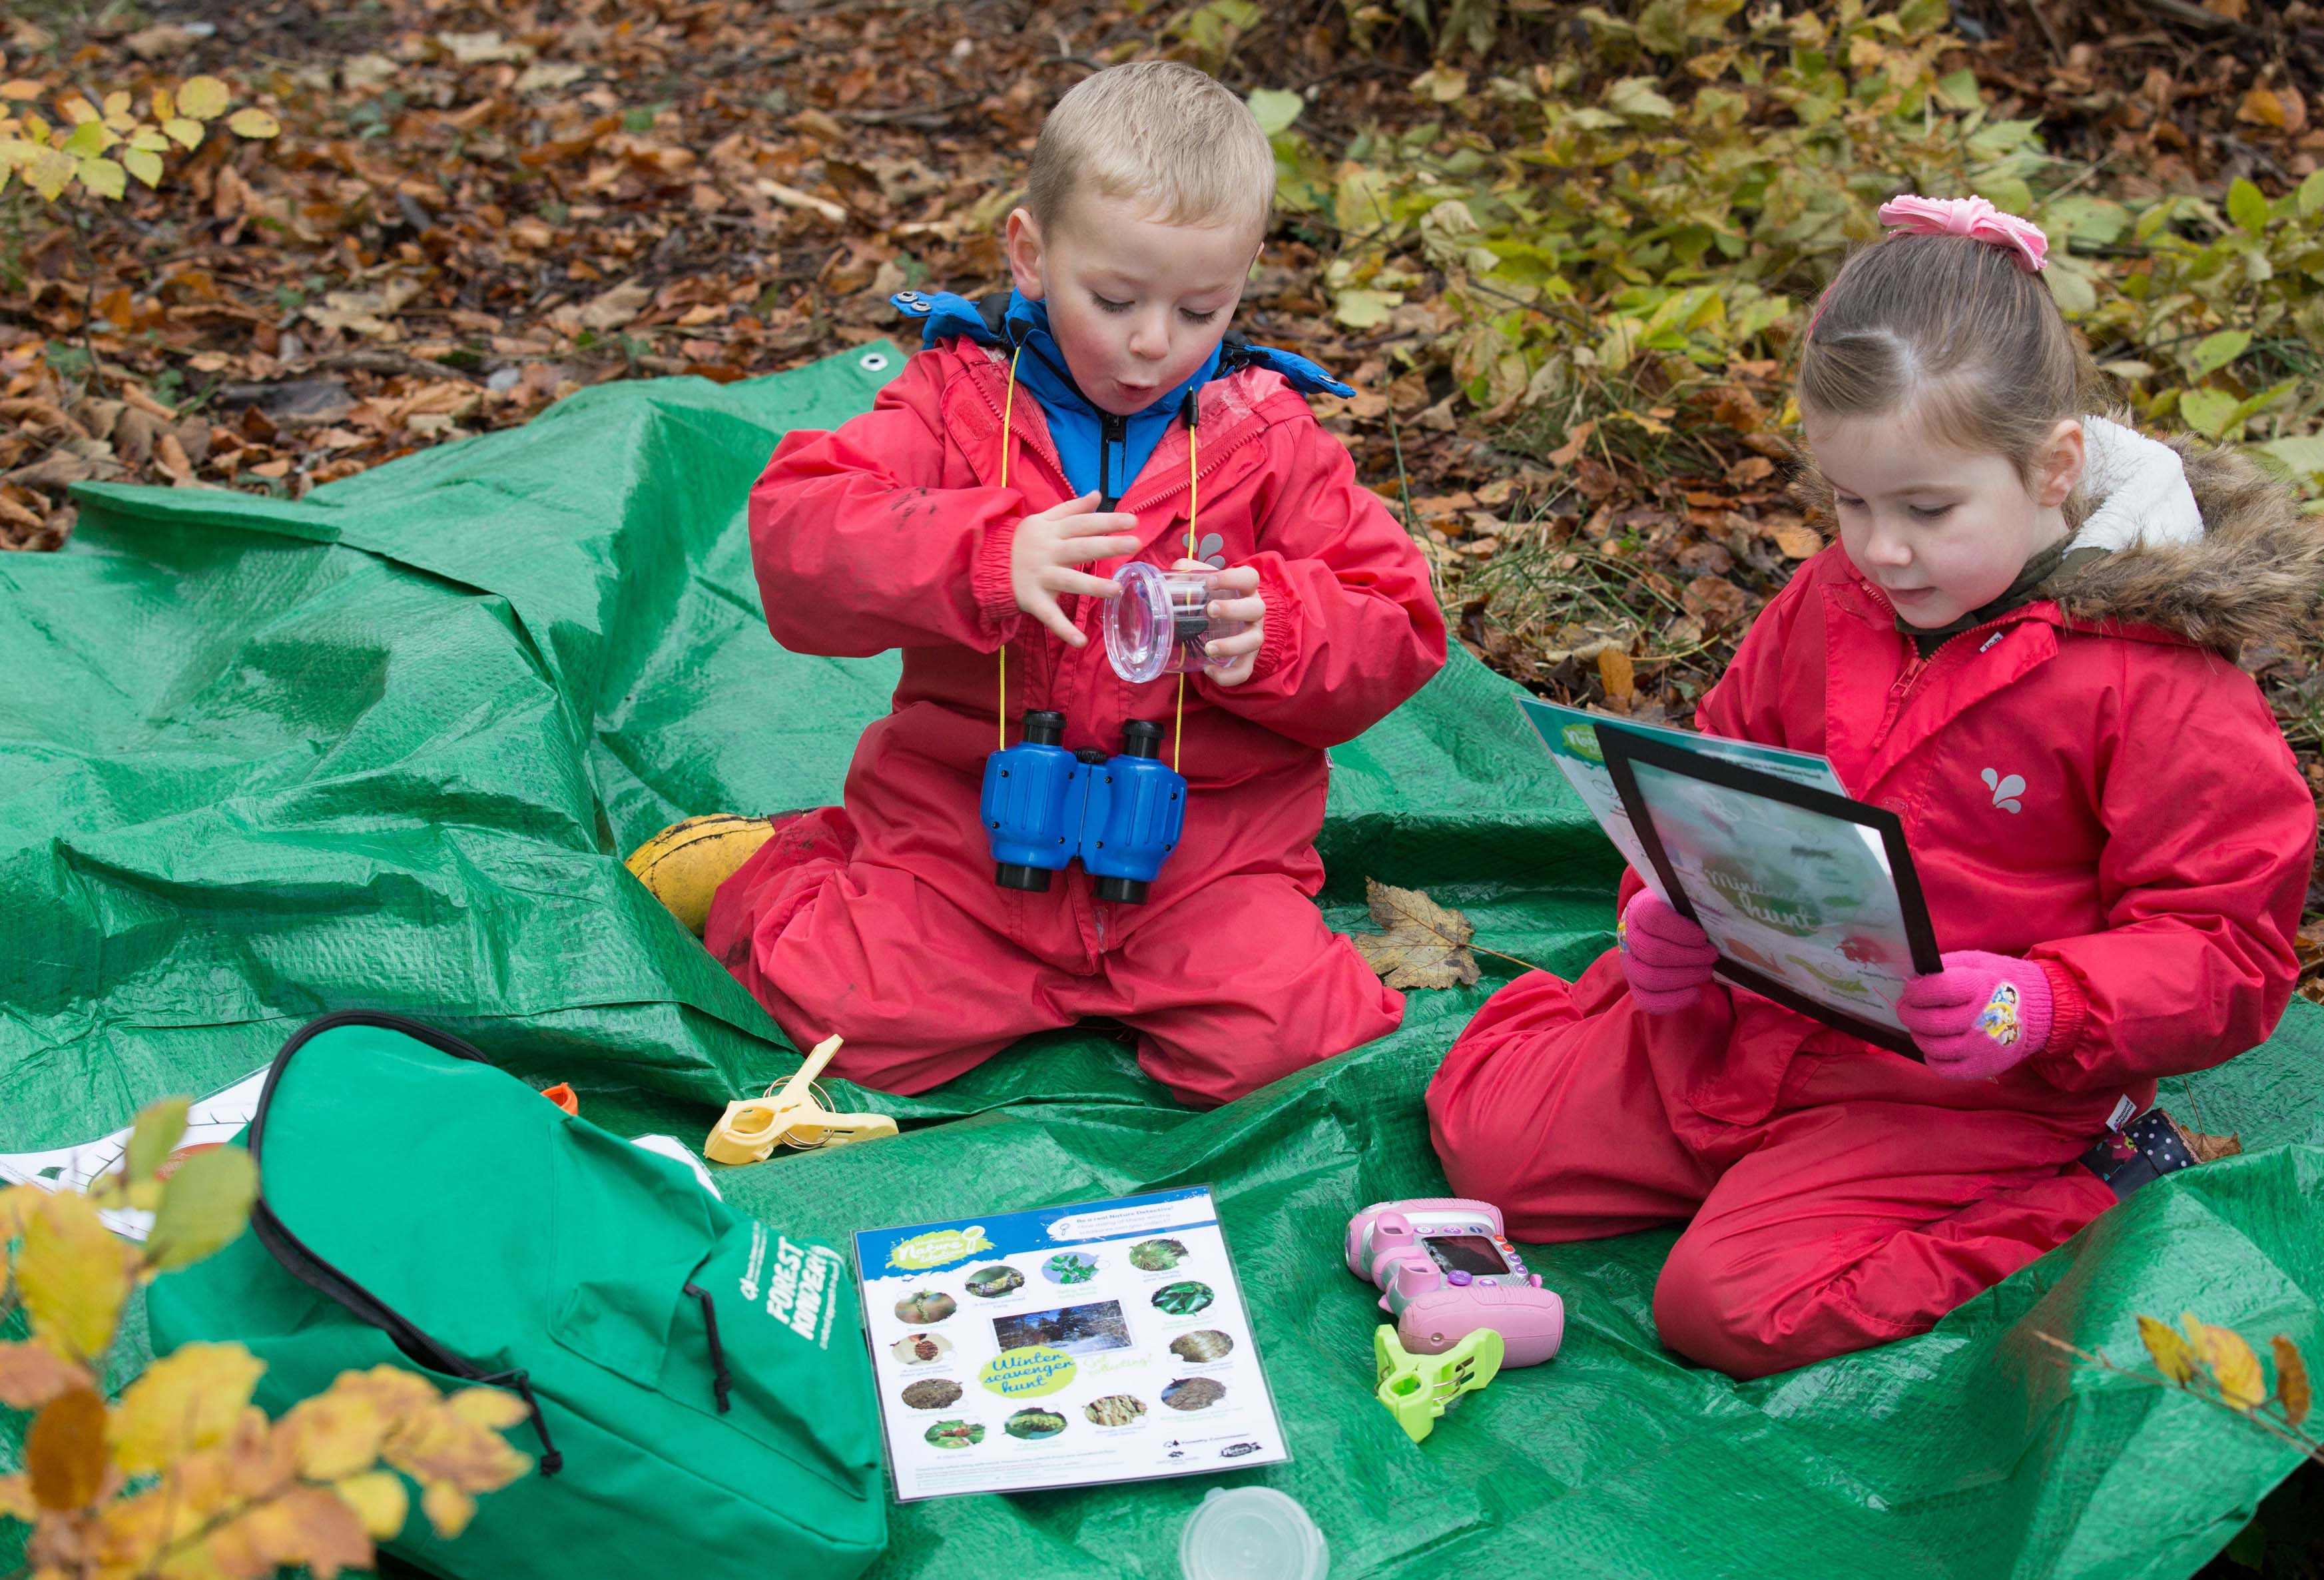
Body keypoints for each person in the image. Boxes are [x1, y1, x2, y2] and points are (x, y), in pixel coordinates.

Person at [1427, 195, 2323, 1379]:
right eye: (1848, 504)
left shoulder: (2155, 679)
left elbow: (2226, 948)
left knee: (1723, 1309)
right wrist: (1665, 908)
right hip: (1750, 1018)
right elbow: (1719, 760)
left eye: (1926, 510)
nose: (1881, 549)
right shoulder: (1836, 597)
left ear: (2053, 469)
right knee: (1487, 1144)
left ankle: (2093, 1177)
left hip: (1965, 1089)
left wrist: (2040, 1006)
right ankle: (1726, 1146)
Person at [639, 62, 1444, 1107]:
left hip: (1201, 865)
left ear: (1244, 280)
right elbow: (799, 536)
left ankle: (1133, 976)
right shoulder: (958, 401)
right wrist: (976, 555)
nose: (1153, 343)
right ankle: (788, 863)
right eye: (1113, 299)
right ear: (1029, 254)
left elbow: (1397, 624)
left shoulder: (1269, 437)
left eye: (1200, 309)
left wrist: (1279, 628)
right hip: (967, 847)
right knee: (840, 1014)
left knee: (1292, 1051)